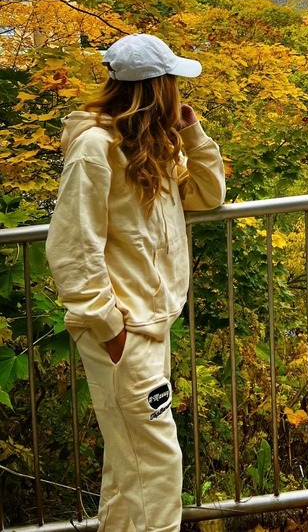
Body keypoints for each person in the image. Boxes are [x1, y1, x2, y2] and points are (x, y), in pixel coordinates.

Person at [46, 33, 226, 532]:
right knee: (157, 468)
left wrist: (193, 134)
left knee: (129, 469)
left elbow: (208, 195)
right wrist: (109, 326)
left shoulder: (155, 145)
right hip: (122, 333)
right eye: (173, 82)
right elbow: (72, 244)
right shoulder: (94, 148)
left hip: (150, 326)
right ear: (157, 87)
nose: (178, 91)